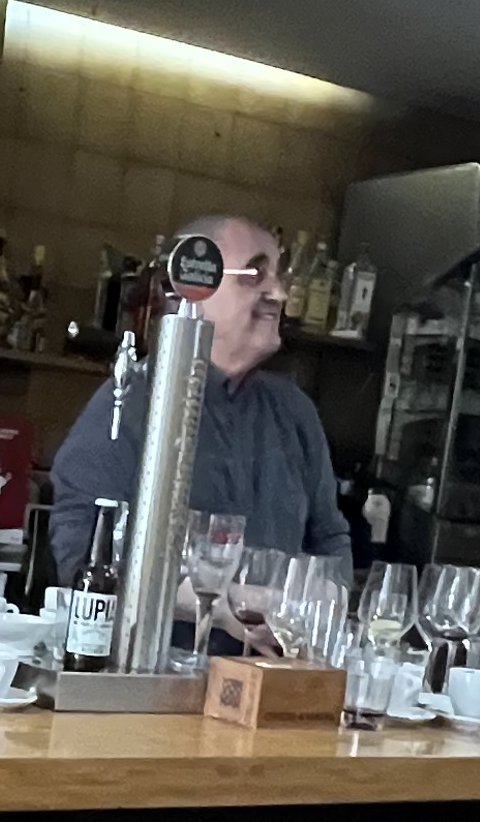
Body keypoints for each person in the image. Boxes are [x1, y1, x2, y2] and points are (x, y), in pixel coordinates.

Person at [44, 213, 355, 575]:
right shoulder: (130, 401)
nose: (279, 294)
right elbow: (82, 553)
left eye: (278, 276)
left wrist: (319, 599)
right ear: (192, 287)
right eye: (254, 275)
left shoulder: (293, 410)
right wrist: (213, 600)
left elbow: (330, 541)